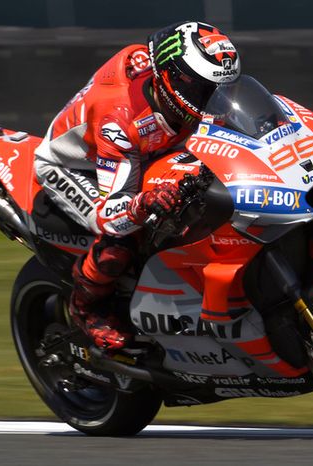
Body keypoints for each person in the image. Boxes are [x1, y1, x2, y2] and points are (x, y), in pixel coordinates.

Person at [34, 21, 241, 349]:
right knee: (122, 237)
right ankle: (85, 308)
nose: (214, 101)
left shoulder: (173, 83)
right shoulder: (120, 121)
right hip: (75, 165)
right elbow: (109, 214)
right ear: (174, 81)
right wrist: (142, 203)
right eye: (205, 91)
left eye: (222, 90)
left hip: (144, 151)